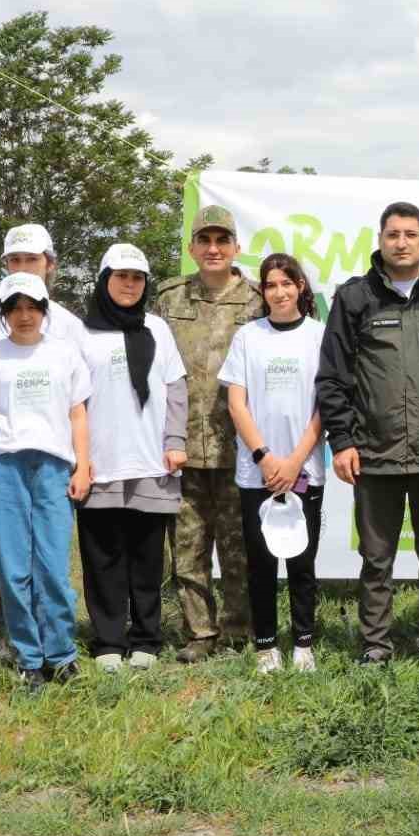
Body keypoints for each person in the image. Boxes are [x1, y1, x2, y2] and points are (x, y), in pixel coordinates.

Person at [317, 201, 419, 667]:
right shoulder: (355, 297)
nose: (402, 242)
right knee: (376, 560)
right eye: (393, 234)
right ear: (380, 240)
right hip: (375, 453)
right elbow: (333, 377)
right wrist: (342, 441)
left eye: (411, 234)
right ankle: (376, 645)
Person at [0, 273, 93, 692]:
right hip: (4, 468)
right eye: (15, 308)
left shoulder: (64, 355)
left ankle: (61, 653)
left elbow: (78, 415)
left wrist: (83, 467)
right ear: (4, 313)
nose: (24, 316)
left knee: (53, 566)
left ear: (44, 310)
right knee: (13, 567)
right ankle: (29, 657)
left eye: (32, 307)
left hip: (53, 467)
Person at [152, 205, 264, 663]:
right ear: (192, 247)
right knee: (188, 548)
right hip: (181, 447)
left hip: (238, 448)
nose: (213, 249)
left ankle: (238, 630)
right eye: (205, 240)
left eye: (222, 241)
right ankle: (199, 632)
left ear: (237, 247)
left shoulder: (258, 300)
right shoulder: (169, 298)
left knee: (239, 548)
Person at [76, 244, 187, 673]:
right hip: (100, 463)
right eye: (121, 276)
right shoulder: (82, 333)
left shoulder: (157, 328)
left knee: (147, 558)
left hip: (151, 461)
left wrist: (175, 440)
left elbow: (176, 387)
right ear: (104, 280)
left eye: (137, 277)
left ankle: (146, 638)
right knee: (102, 556)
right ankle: (108, 640)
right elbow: (72, 399)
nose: (129, 284)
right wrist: (79, 457)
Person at [219, 253, 327, 674]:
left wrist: (296, 460)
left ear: (300, 286)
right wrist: (264, 457)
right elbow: (236, 403)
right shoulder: (249, 337)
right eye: (270, 285)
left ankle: (303, 642)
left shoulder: (319, 336)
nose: (279, 292)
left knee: (302, 560)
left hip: (304, 469)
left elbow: (325, 405)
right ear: (262, 291)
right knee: (261, 562)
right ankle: (266, 645)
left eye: (287, 283)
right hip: (257, 472)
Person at [0, 223, 86, 344]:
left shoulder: (69, 325)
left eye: (32, 259)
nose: (22, 268)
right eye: (15, 259)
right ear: (7, 265)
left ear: (50, 265)